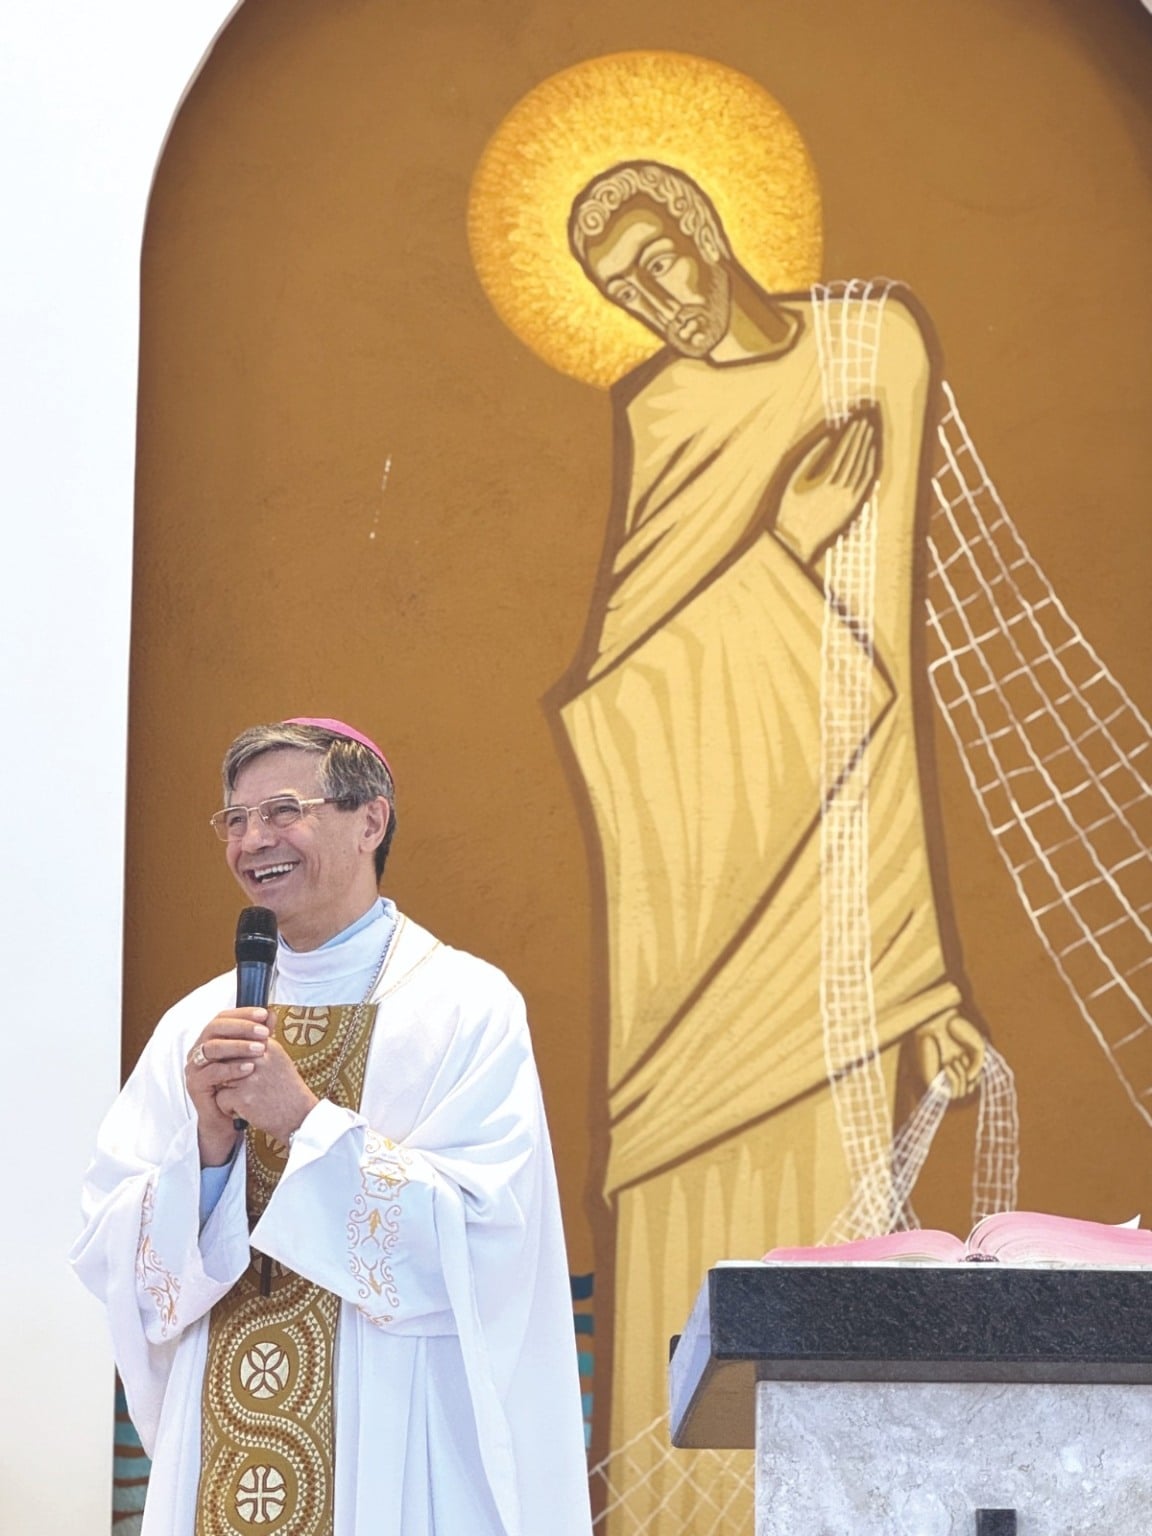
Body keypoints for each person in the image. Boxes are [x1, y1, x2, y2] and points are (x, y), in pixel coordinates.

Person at [554, 162, 1000, 1526]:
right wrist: (784, 550)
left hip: (834, 945)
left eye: (661, 263)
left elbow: (875, 701)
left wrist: (920, 987)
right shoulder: (662, 412)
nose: (657, 304)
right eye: (622, 294)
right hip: (688, 961)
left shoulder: (875, 348)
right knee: (694, 1256)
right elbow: (624, 713)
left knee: (833, 1251)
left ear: (708, 230)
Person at [72, 717, 592, 1536]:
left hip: (394, 1436)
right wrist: (206, 1151)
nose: (253, 841)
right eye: (235, 820)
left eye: (284, 811)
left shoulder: (464, 1006)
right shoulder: (195, 1024)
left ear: (370, 820)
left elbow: (489, 1237)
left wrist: (304, 1121)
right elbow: (112, 1244)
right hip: (221, 1433)